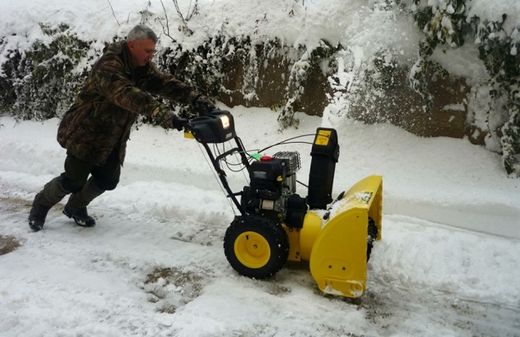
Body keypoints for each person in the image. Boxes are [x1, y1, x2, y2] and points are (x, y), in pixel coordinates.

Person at [28, 24, 215, 232]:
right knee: (74, 180)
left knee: (108, 179)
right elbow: (127, 94)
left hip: (113, 135)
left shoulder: (140, 66)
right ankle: (41, 204)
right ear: (132, 45)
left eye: (153, 51)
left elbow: (164, 83)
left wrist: (195, 99)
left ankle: (75, 207)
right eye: (147, 51)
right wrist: (165, 115)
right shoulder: (109, 66)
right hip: (86, 132)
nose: (150, 56)